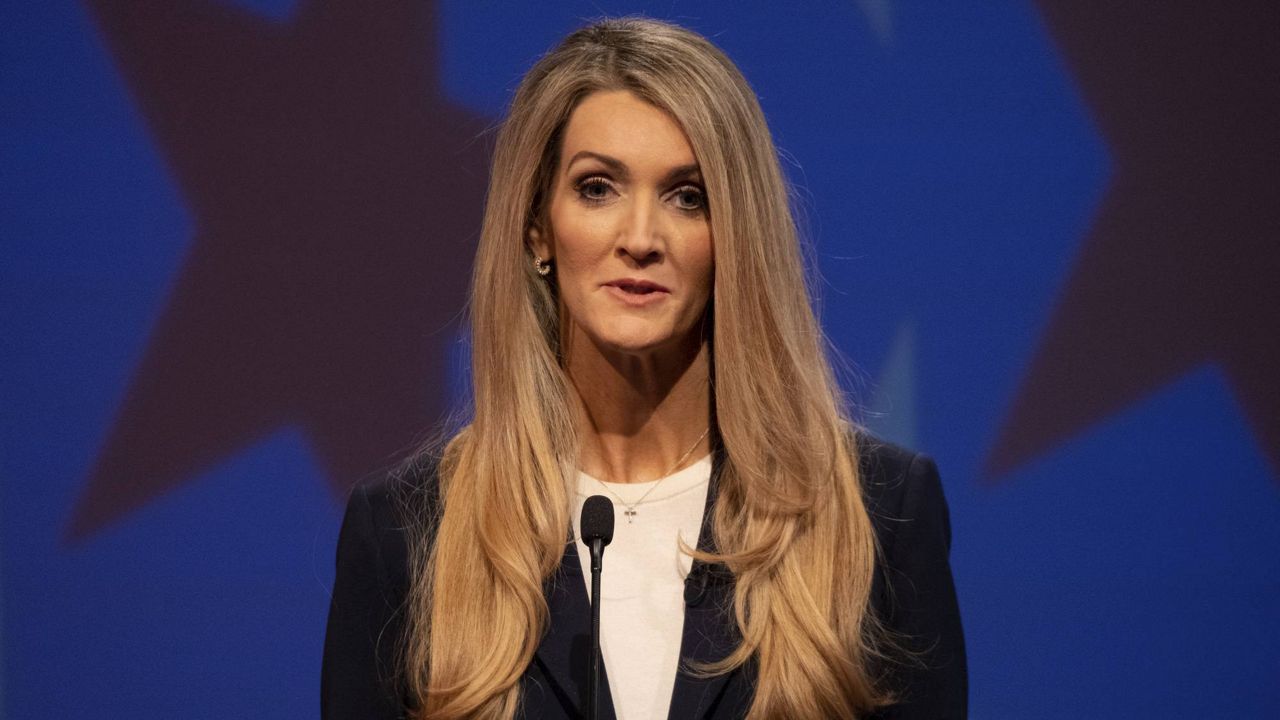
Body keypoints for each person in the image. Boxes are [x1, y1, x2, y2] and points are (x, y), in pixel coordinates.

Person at [322, 16, 965, 720]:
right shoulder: (407, 537)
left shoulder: (879, 514)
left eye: (687, 197)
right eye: (598, 188)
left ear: (733, 237)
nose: (640, 238)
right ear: (538, 228)